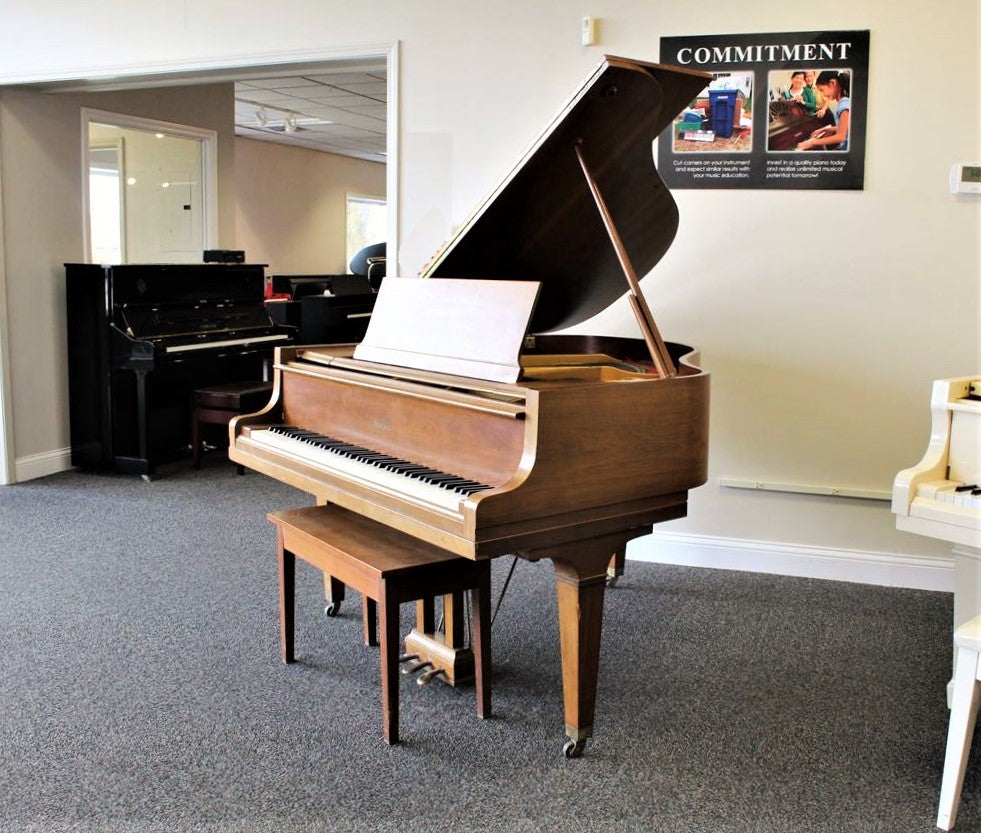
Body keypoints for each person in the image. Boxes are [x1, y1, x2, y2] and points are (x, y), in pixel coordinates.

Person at [797, 70, 850, 151]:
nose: (823, 95)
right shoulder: (843, 102)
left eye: (822, 90)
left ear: (832, 83)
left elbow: (841, 136)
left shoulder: (844, 105)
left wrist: (813, 142)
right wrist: (824, 129)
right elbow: (844, 128)